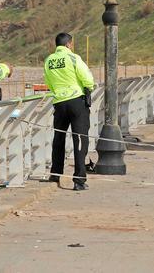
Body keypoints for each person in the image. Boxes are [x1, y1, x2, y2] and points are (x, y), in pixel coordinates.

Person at [43, 33, 94, 191]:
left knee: (58, 138)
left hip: (59, 102)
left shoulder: (49, 60)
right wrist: (89, 88)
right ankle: (79, 180)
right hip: (76, 101)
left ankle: (55, 173)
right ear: (68, 44)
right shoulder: (73, 57)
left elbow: (48, 82)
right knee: (79, 139)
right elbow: (87, 79)